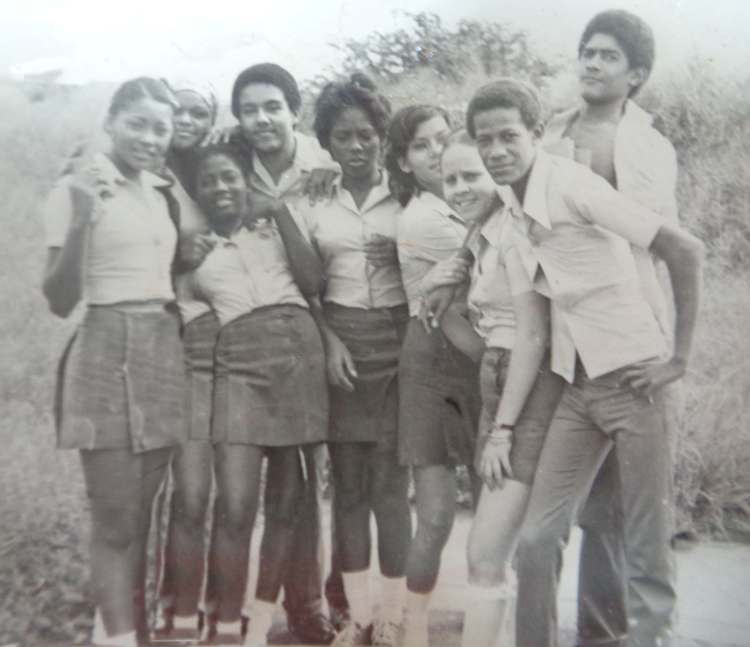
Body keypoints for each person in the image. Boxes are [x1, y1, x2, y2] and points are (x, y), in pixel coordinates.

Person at [463, 78, 703, 647]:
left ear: (537, 135)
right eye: (484, 141)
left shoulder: (572, 185)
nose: (496, 150)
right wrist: (502, 428)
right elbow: (532, 327)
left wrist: (677, 360)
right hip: (578, 386)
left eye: (508, 137)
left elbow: (684, 250)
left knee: (645, 538)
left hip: (636, 378)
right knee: (537, 539)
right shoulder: (512, 209)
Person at [543, 10, 683, 646]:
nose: (592, 64)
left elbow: (661, 244)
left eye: (608, 56)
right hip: (568, 346)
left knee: (639, 513)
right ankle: (598, 632)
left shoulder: (649, 146)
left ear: (637, 75)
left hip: (632, 344)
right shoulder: (551, 133)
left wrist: (671, 353)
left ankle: (649, 634)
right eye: (587, 52)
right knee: (595, 507)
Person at [42, 77, 185, 647]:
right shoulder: (75, 189)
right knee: (116, 520)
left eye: (161, 128)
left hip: (160, 349)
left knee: (143, 518)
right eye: (137, 124)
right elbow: (58, 300)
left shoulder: (158, 190)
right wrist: (81, 216)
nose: (149, 138)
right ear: (111, 121)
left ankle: (120, 632)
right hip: (104, 347)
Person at [217, 62, 342, 643]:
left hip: (325, 314)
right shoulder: (231, 163)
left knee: (304, 479)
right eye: (249, 109)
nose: (261, 118)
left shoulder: (326, 163)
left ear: (294, 109)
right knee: (248, 493)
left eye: (272, 106)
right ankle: (231, 612)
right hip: (254, 327)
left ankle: (309, 603)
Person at [186, 143, 329, 646]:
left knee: (289, 502)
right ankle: (225, 623)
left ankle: (261, 625)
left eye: (229, 177)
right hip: (238, 363)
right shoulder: (194, 251)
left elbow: (313, 280)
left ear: (246, 181)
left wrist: (281, 212)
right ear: (197, 192)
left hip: (296, 355)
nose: (221, 188)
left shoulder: (273, 229)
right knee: (237, 504)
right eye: (209, 181)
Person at [298, 73, 411, 647]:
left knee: (391, 485)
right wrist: (327, 341)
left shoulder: (409, 192)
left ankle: (391, 618)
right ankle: (356, 616)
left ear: (382, 137)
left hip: (399, 343)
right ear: (327, 142)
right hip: (339, 342)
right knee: (347, 488)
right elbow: (304, 287)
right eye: (344, 136)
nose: (358, 145)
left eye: (368, 134)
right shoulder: (314, 199)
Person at [384, 106, 483, 647]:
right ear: (404, 160)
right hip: (435, 359)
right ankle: (415, 628)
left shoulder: (467, 199)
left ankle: (490, 614)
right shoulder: (423, 217)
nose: (437, 152)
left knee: (492, 506)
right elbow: (476, 276)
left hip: (478, 354)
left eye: (444, 140)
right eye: (423, 146)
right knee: (439, 514)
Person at [151, 81, 221, 641]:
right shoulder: (138, 174)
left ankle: (187, 605)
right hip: (150, 338)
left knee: (200, 488)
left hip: (207, 338)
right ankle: (158, 604)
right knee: (157, 485)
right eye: (178, 109)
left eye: (200, 112)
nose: (187, 120)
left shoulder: (211, 175)